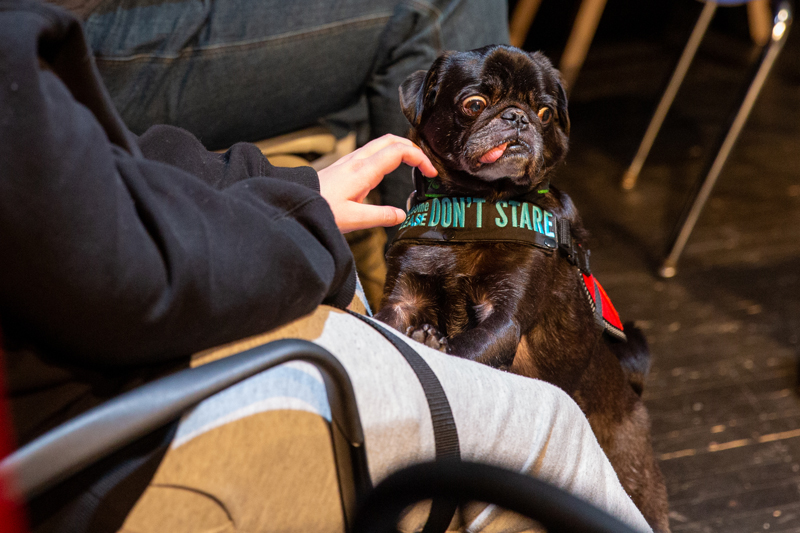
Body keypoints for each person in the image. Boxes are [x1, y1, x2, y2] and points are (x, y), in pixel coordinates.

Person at [0, 2, 651, 532]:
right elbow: (120, 271)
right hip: (101, 435)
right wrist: (295, 223)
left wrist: (276, 183)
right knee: (549, 424)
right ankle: (447, 276)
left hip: (106, 368)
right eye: (482, 105)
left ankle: (445, 272)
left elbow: (106, 166)